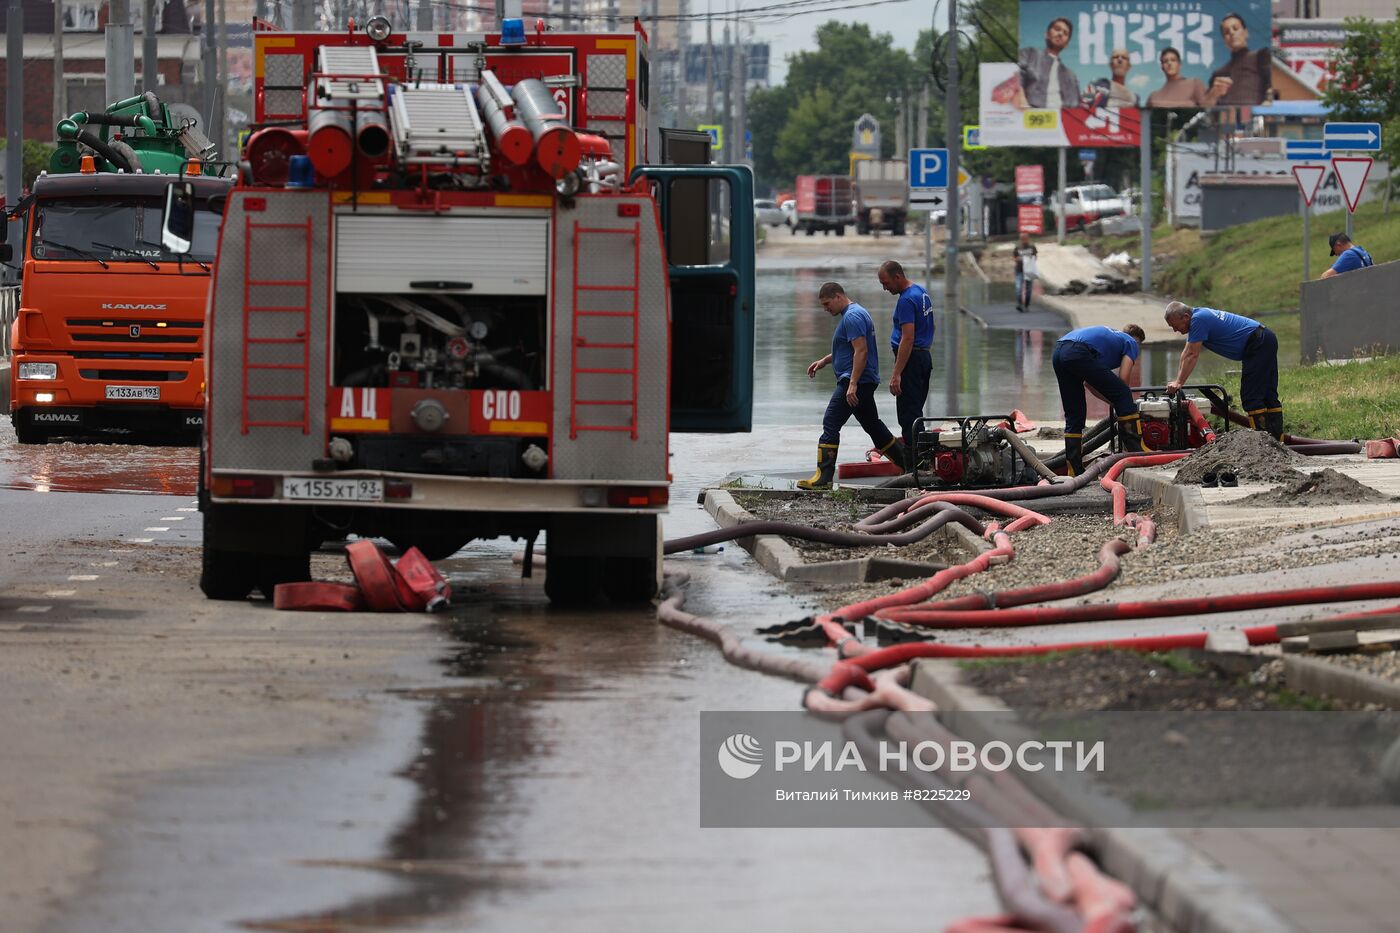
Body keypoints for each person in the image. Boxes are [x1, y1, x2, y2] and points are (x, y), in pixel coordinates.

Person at [797, 282, 906, 490]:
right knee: (873, 425)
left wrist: (852, 384)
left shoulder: (852, 317)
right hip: (863, 380)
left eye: (827, 303)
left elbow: (861, 351)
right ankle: (907, 466)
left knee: (830, 423)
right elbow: (848, 349)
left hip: (855, 380)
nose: (825, 308)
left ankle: (823, 478)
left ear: (838, 296)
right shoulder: (856, 313)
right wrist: (825, 361)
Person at [1163, 301, 1283, 440]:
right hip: (1264, 338)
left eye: (1175, 326)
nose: (1175, 330)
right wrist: (1177, 381)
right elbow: (1187, 352)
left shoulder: (1198, 320)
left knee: (1252, 397)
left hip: (1258, 343)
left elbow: (1192, 355)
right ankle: (1277, 442)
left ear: (1185, 317)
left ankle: (1266, 444)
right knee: (1268, 395)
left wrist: (1179, 382)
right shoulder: (1197, 317)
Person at [1052, 324, 1148, 475]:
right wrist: (1125, 404)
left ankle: (1074, 470)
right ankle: (1139, 452)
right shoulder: (1131, 342)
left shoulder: (1108, 343)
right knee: (1123, 392)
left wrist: (1116, 402)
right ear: (1137, 341)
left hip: (1059, 351)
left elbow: (1090, 384)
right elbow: (1123, 383)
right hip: (1078, 351)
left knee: (1074, 414)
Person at [878, 260, 935, 458]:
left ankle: (916, 464)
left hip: (911, 359)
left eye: (886, 283)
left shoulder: (906, 300)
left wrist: (896, 373)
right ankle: (924, 457)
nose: (885, 288)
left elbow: (907, 337)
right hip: (923, 357)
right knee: (915, 411)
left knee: (908, 415)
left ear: (897, 277)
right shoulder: (921, 292)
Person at [1203, 13, 1270, 106]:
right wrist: (1213, 94)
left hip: (1255, 113)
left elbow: (1270, 85)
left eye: (1235, 28)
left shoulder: (1261, 56)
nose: (1231, 32)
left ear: (1246, 33)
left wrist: (1267, 104)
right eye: (1226, 32)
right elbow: (1205, 106)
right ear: (1225, 41)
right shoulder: (1218, 74)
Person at [1016, 17, 1081, 110]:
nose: (1060, 34)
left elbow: (1077, 105)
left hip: (1063, 120)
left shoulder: (1071, 76)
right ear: (1047, 34)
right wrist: (1023, 103)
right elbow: (1015, 76)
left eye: (1065, 33)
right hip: (1033, 116)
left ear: (1067, 44)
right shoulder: (1029, 54)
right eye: (1057, 29)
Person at [1014, 233, 1038, 312]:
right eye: (1022, 238)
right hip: (1019, 270)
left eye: (1025, 238)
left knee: (1029, 289)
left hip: (1029, 270)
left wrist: (1029, 260)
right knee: (1018, 288)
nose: (1024, 240)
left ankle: (1027, 304)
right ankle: (1019, 304)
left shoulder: (1032, 247)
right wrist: (1021, 259)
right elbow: (1015, 258)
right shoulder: (1017, 248)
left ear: (1028, 238)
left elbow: (1035, 257)